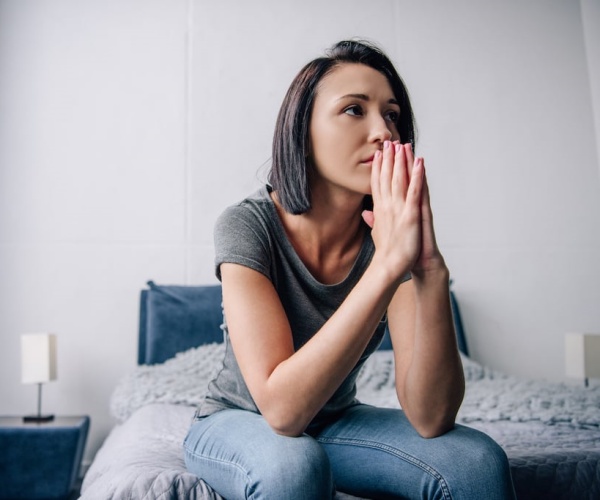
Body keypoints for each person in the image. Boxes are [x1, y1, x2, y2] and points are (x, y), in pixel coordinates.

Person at [184, 39, 516, 499]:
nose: (384, 130)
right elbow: (281, 412)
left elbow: (431, 416)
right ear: (303, 130)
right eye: (354, 110)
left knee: (476, 461)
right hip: (236, 420)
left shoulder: (389, 240)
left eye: (393, 114)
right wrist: (386, 266)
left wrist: (430, 270)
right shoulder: (246, 225)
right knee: (292, 465)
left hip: (336, 422)